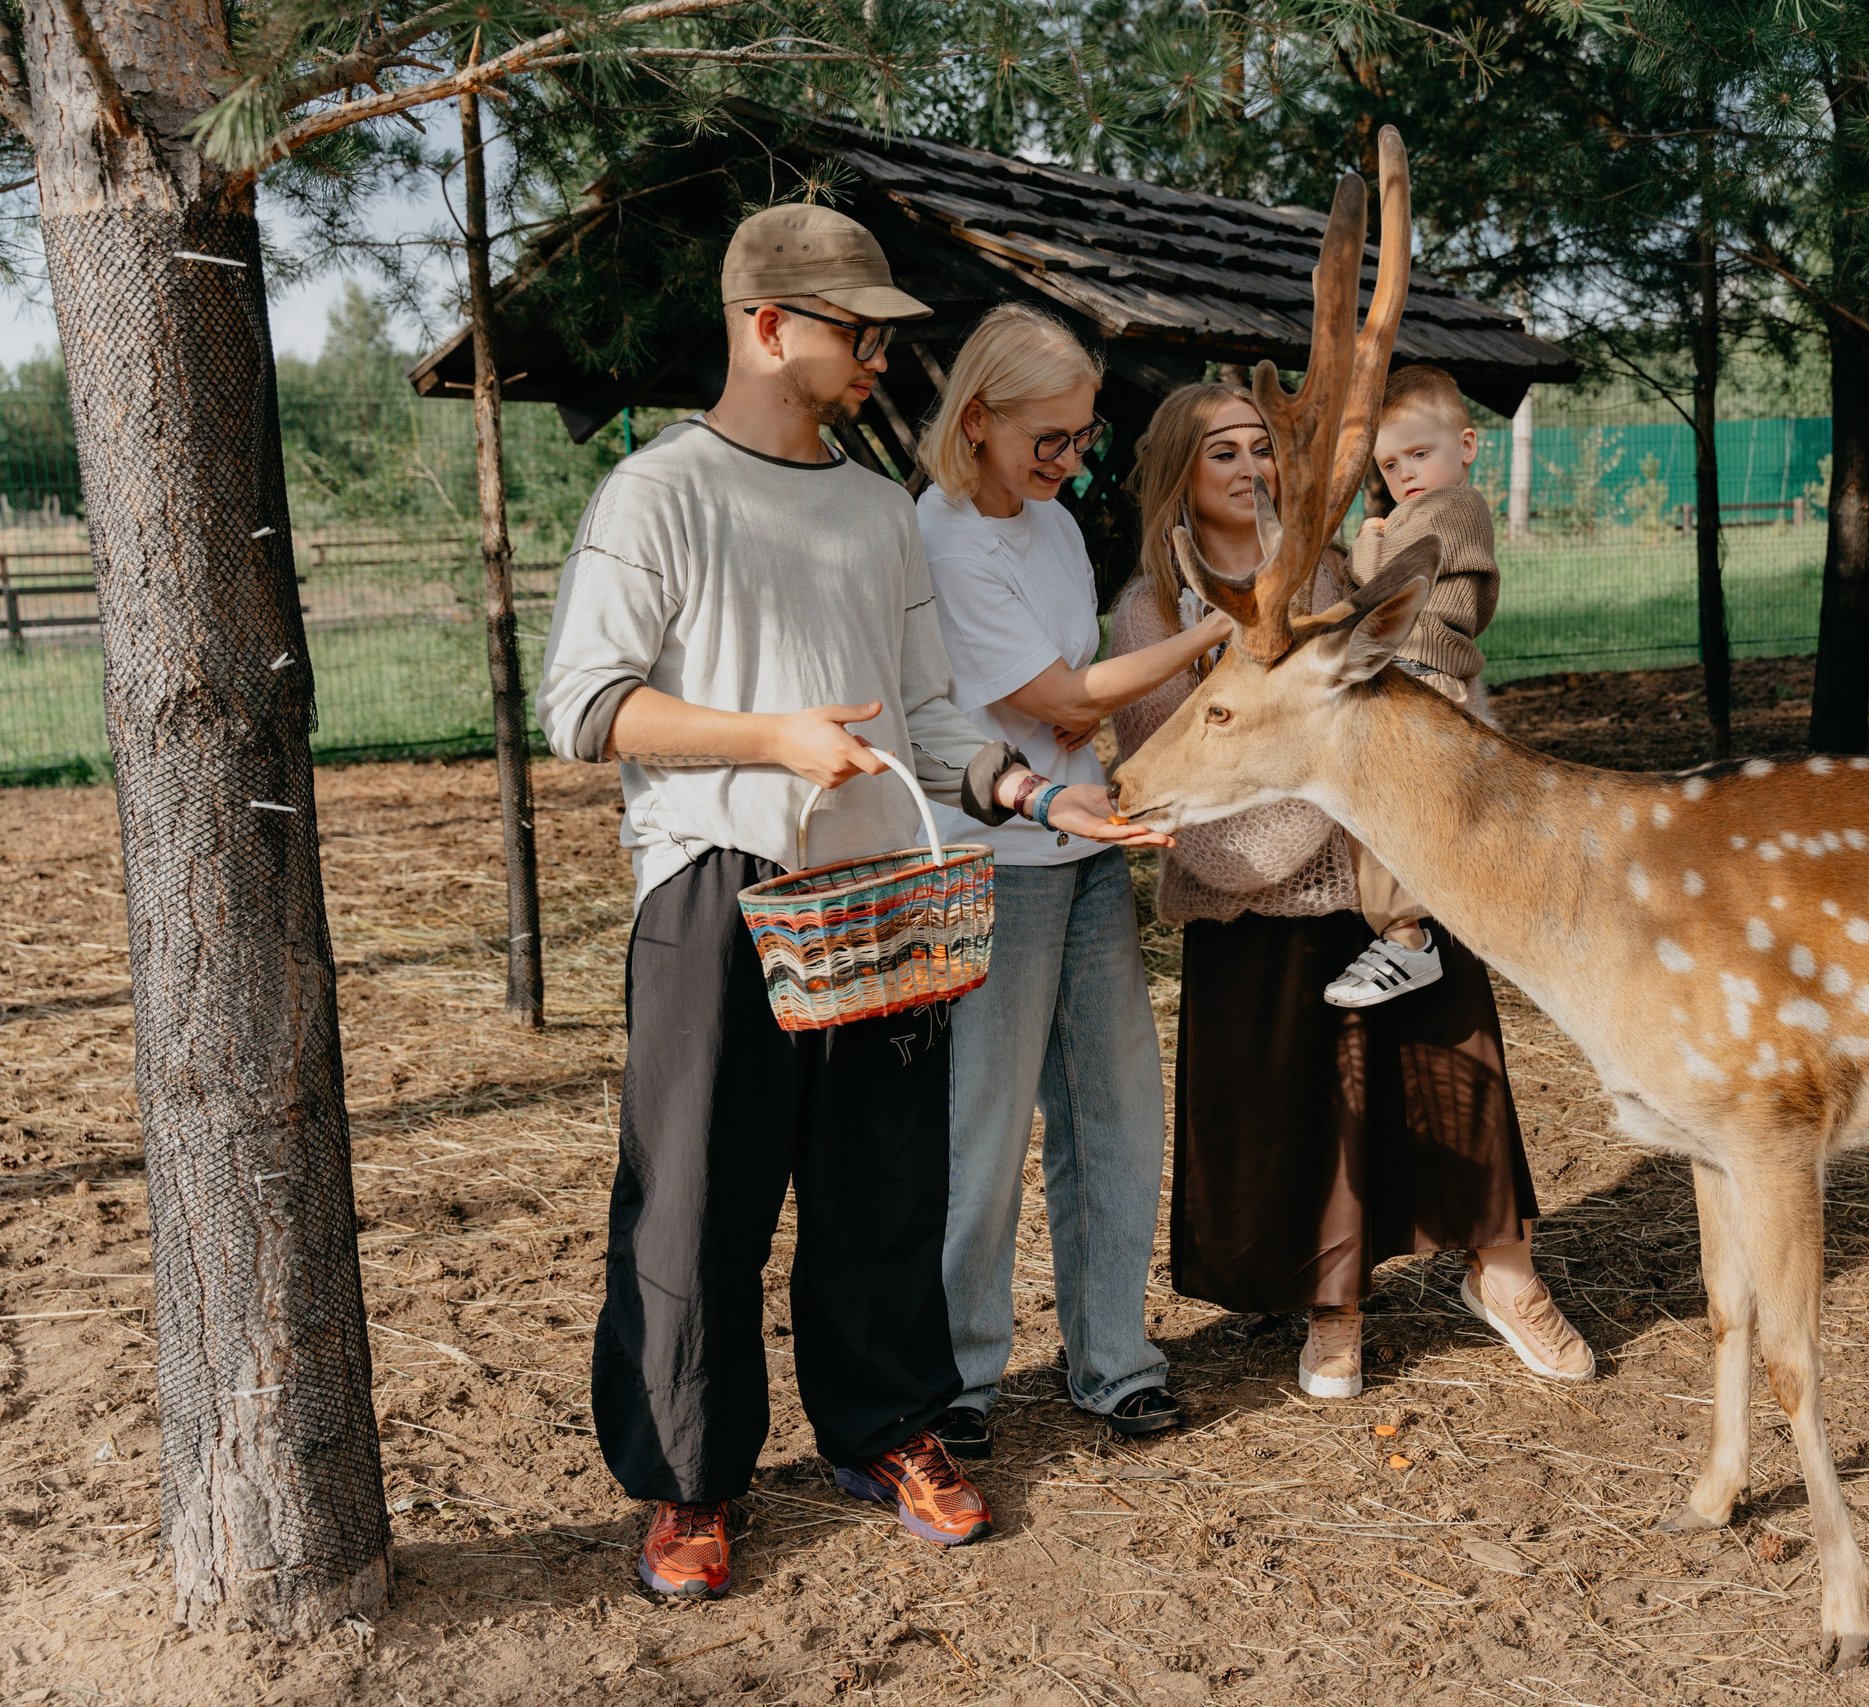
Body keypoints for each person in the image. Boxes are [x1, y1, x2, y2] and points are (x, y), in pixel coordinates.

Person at [535, 204, 1167, 1601]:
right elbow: (583, 707)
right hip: (716, 881)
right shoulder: (661, 492)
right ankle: (689, 1483)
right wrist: (773, 739)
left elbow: (935, 716)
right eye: (857, 328)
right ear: (768, 324)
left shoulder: (881, 512)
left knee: (884, 1177)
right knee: (696, 1194)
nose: (881, 353)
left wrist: (1028, 792)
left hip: (880, 882)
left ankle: (889, 1428)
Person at [1108, 382, 1595, 1402]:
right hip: (1257, 910)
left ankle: (1504, 1275)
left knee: (1464, 1081)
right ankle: (1335, 1316)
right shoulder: (1151, 615)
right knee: (1312, 1115)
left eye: (1260, 448)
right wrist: (1349, 791)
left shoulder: (1335, 578)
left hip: (1404, 888)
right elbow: (1190, 814)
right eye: (1222, 454)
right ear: (1178, 480)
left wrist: (1416, 807)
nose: (1250, 469)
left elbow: (1440, 701)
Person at [912, 306, 1234, 1459]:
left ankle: (1111, 1359)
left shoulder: (1045, 523)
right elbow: (1062, 700)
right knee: (985, 1133)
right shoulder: (944, 538)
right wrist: (1216, 637)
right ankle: (959, 1376)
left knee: (1113, 1114)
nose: (1070, 460)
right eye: (1048, 437)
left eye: (1082, 436)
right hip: (994, 864)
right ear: (979, 419)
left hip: (1090, 848)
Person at [1322, 364, 1504, 1010]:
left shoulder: (1453, 507)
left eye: (1419, 454)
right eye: (1391, 465)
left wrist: (1364, 547)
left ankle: (1407, 938)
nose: (1405, 476)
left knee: (1388, 815)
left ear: (1467, 445)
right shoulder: (1425, 507)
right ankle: (1408, 929)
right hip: (1414, 679)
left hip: (1422, 678)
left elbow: (1389, 584)